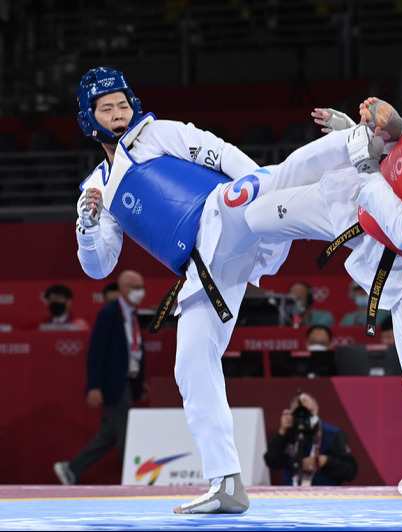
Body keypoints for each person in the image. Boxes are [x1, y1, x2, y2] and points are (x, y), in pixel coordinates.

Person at [246, 45, 402, 520]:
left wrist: (364, 164)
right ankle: (250, 267)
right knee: (256, 216)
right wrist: (375, 134)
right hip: (358, 205)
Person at [71, 66, 301, 514]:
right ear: (89, 118)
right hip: (205, 265)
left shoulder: (157, 134)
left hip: (228, 213)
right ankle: (227, 483)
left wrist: (263, 191)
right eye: (106, 108)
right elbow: (99, 267)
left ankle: (354, 157)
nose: (118, 113)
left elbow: (219, 153)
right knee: (192, 366)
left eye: (122, 104)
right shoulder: (96, 187)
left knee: (303, 197)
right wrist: (87, 225)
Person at [53, 270, 148, 485]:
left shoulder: (132, 314)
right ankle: (134, 481)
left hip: (126, 379)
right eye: (135, 287)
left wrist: (139, 382)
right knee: (124, 434)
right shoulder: (109, 314)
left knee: (109, 434)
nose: (139, 292)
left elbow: (134, 349)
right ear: (122, 288)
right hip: (114, 382)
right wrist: (94, 386)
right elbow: (96, 353)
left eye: (141, 287)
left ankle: (71, 469)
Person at [263, 391, 357, 486]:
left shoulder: (333, 434)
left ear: (317, 410)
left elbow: (351, 471)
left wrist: (325, 461)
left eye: (309, 412)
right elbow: (271, 462)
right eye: (300, 412)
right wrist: (282, 432)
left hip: (324, 494)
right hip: (291, 494)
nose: (305, 416)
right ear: (291, 412)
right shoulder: (288, 433)